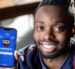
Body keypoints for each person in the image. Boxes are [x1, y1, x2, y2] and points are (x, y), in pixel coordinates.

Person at [0, 0, 74, 69]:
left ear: (72, 30)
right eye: (41, 28)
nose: (47, 36)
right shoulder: (22, 60)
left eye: (58, 28)